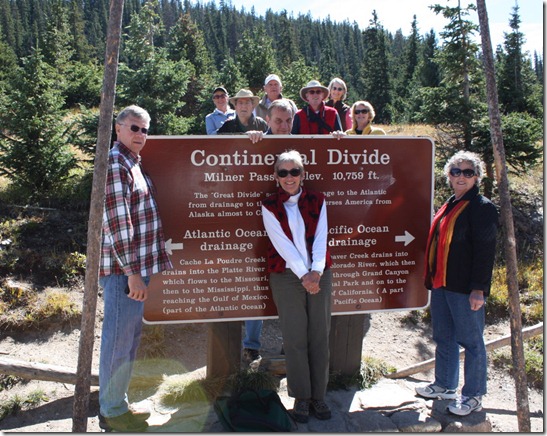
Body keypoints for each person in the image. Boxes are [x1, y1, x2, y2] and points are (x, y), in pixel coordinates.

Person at [99, 105, 173, 432]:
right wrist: (131, 272)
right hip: (122, 272)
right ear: (118, 129)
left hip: (133, 270)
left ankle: (118, 405)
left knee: (128, 341)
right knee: (118, 341)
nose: (140, 134)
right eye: (134, 128)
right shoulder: (117, 163)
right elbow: (118, 224)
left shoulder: (133, 162)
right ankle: (112, 413)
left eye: (145, 129)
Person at [416, 150, 498, 417]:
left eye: (468, 172)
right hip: (442, 283)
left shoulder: (482, 207)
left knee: (472, 342)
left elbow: (486, 251)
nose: (461, 176)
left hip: (465, 288)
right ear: (448, 176)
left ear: (476, 177)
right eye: (456, 171)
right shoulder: (450, 202)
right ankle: (445, 385)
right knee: (444, 337)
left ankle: (473, 396)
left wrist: (479, 289)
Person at [261, 150, 333, 423]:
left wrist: (316, 271)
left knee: (319, 336)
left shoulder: (318, 199)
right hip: (286, 276)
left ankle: (319, 396)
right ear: (276, 177)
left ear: (303, 175)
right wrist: (304, 274)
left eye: (294, 172)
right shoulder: (269, 205)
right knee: (294, 339)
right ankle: (301, 397)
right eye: (283, 172)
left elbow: (321, 237)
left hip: (320, 273)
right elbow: (282, 243)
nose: (289, 178)